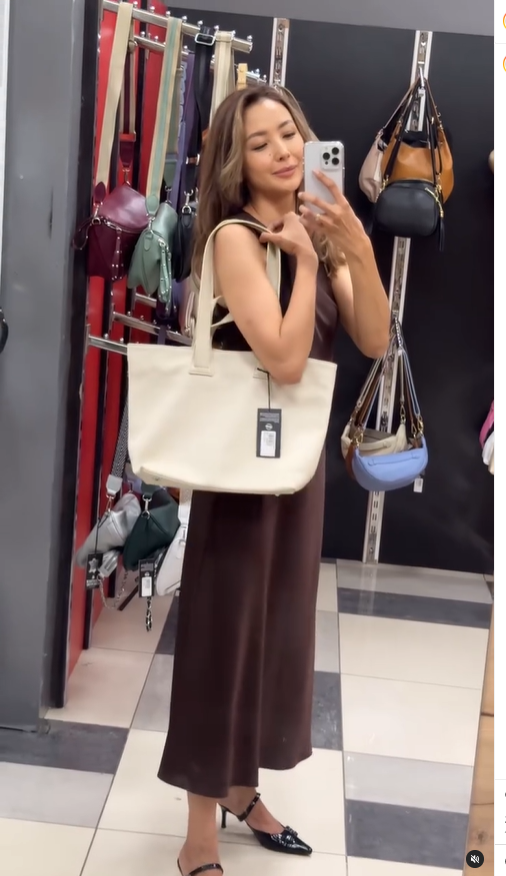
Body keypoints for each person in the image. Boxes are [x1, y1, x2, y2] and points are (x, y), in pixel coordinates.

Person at [158, 84, 391, 876]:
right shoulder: (237, 238)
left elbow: (374, 336)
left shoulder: (318, 228)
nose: (285, 152)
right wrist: (303, 259)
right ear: (237, 161)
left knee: (273, 637)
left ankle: (239, 788)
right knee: (222, 639)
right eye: (260, 144)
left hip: (296, 470)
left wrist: (353, 246)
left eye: (289, 133)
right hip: (240, 475)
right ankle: (198, 830)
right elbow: (287, 360)